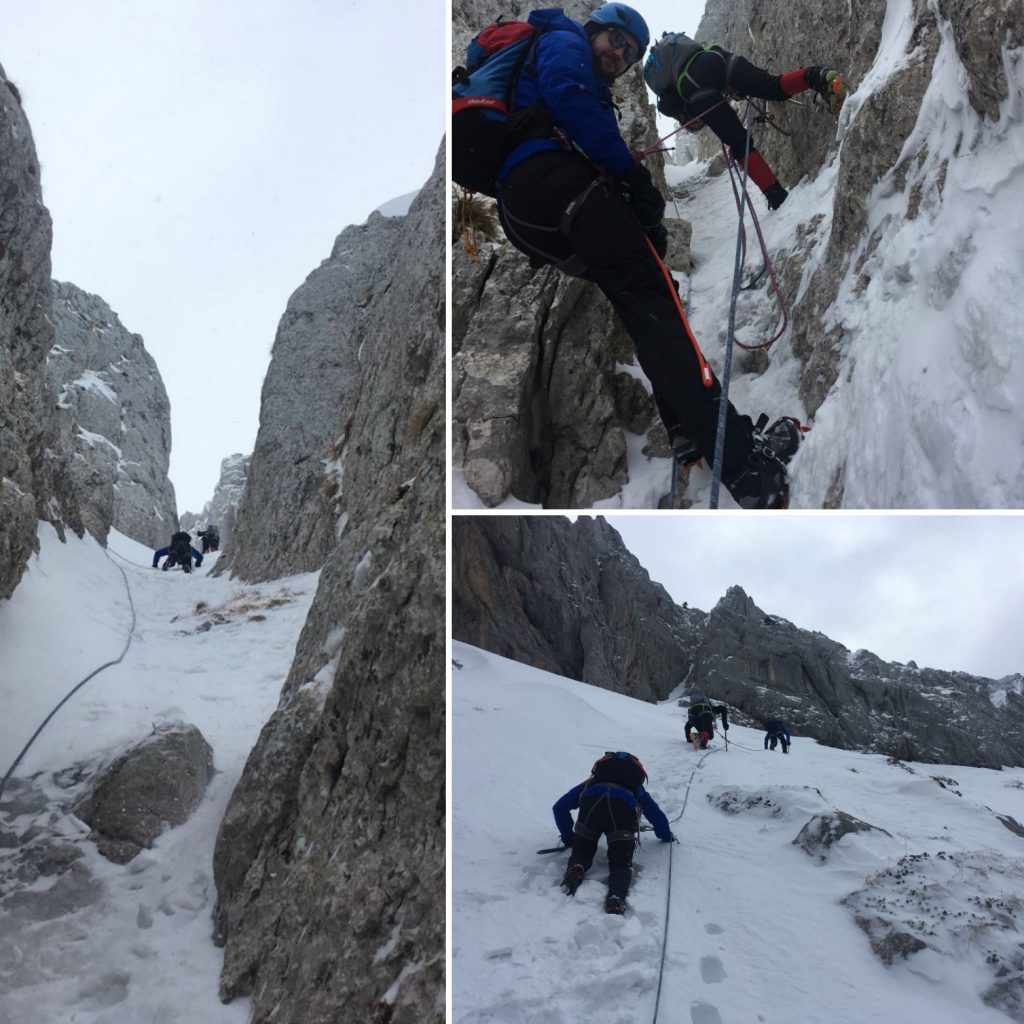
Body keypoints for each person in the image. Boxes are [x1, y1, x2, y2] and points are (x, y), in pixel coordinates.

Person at [495, 3, 802, 508]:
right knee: (661, 313)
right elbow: (571, 102)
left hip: (537, 213)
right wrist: (634, 180)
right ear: (593, 28)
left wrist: (638, 217)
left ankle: (685, 430)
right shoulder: (564, 40)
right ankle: (744, 463)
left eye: (630, 53)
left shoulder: (556, 68)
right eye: (615, 40)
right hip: (552, 186)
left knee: (648, 309)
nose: (620, 54)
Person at [643, 32, 848, 210]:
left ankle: (775, 195)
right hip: (718, 57)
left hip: (694, 82)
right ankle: (818, 76)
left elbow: (697, 115)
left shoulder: (678, 100)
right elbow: (715, 78)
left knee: (739, 142)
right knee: (772, 87)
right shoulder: (695, 54)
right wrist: (736, 86)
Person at [553, 750, 674, 914]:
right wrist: (667, 836)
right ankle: (616, 898)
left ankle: (577, 867)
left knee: (582, 851)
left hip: (591, 808)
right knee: (620, 863)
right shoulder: (636, 789)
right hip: (621, 815)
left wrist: (568, 837)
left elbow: (559, 807)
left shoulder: (592, 783)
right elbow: (657, 817)